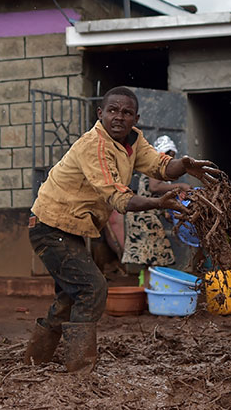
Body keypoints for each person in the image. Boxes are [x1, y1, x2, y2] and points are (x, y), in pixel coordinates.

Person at [24, 86, 217, 373]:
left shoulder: (133, 141)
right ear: (100, 113)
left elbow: (160, 166)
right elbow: (118, 197)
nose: (119, 117)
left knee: (70, 295)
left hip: (71, 228)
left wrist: (185, 165)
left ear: (135, 118)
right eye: (113, 110)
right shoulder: (94, 146)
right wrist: (158, 202)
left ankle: (33, 360)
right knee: (92, 287)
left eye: (126, 112)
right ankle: (79, 370)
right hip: (49, 227)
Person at [120, 135, 192, 270]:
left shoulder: (159, 169)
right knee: (155, 257)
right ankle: (150, 288)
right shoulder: (154, 165)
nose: (172, 160)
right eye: (171, 155)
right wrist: (180, 186)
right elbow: (154, 187)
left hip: (146, 214)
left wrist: (168, 212)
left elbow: (158, 194)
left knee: (151, 258)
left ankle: (147, 286)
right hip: (143, 215)